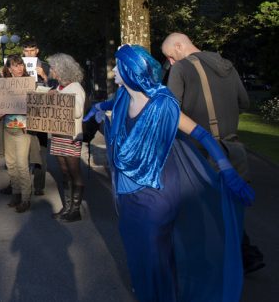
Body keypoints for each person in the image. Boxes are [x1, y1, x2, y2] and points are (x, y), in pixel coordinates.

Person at [84, 44, 253, 301]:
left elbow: (201, 134)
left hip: (157, 192)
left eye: (118, 66)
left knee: (154, 252)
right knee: (136, 250)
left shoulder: (163, 105)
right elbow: (111, 106)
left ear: (131, 71)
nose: (113, 71)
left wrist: (227, 169)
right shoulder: (122, 98)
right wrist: (99, 111)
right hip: (129, 192)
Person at [161, 32, 263, 274]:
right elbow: (244, 103)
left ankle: (210, 266)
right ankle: (245, 254)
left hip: (201, 151)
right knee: (229, 207)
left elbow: (170, 111)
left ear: (179, 45)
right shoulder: (226, 64)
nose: (171, 62)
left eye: (170, 57)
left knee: (198, 211)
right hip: (233, 147)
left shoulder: (181, 69)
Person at [0, 55, 42, 213]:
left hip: (23, 130)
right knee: (11, 164)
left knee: (22, 165)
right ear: (9, 68)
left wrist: (32, 122)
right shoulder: (2, 85)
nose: (19, 68)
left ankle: (26, 198)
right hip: (7, 129)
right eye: (15, 65)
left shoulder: (30, 83)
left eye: (21, 65)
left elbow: (38, 107)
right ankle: (16, 193)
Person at [44, 54, 86, 222]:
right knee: (64, 172)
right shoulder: (60, 87)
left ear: (61, 69)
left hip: (71, 135)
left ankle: (75, 210)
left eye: (53, 67)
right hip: (58, 134)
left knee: (74, 172)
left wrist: (57, 98)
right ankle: (67, 207)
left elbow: (76, 112)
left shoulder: (76, 88)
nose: (51, 70)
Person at [22, 39, 51, 196]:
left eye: (32, 50)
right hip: (22, 112)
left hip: (41, 113)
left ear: (37, 51)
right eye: (26, 51)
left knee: (40, 150)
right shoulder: (17, 65)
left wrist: (44, 76)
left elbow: (54, 88)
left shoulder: (45, 66)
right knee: (20, 150)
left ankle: (39, 185)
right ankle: (19, 184)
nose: (29, 53)